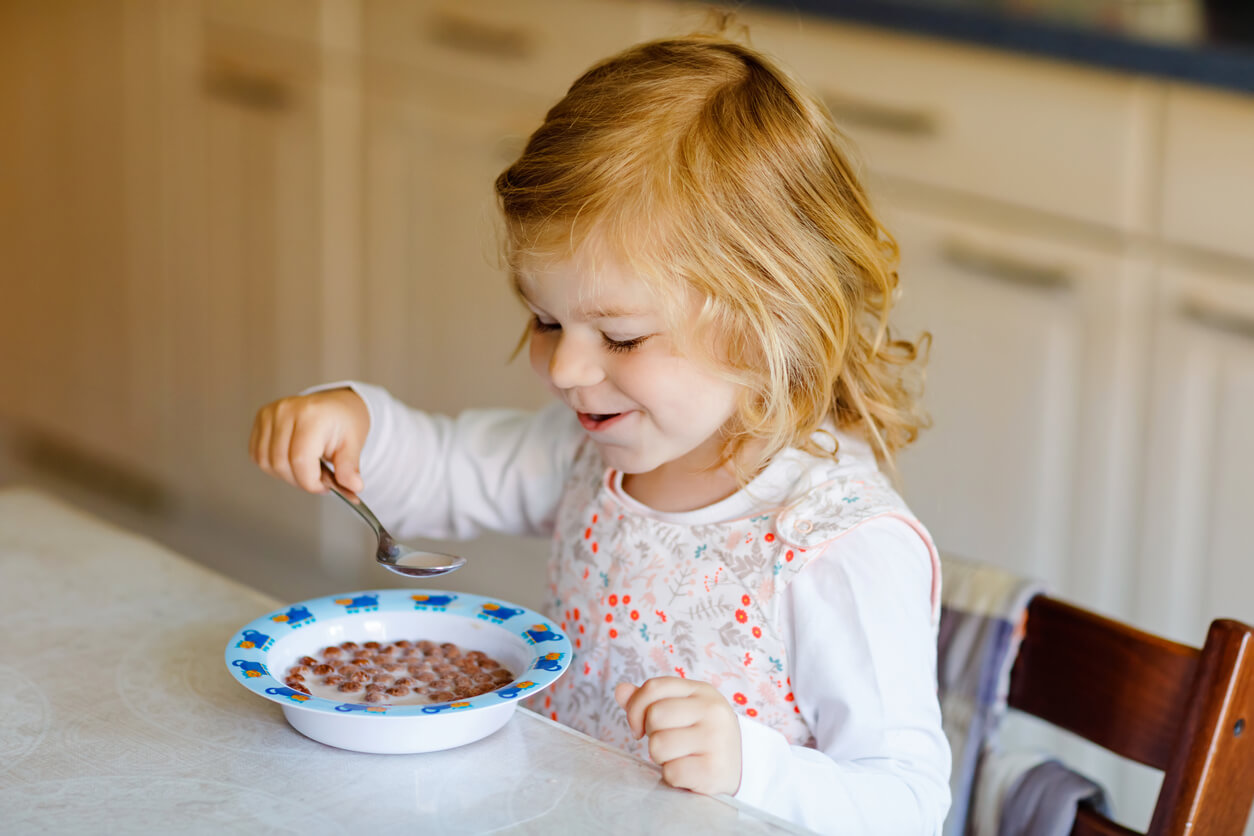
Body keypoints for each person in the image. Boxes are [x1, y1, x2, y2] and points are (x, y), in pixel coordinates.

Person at [249, 29, 950, 834]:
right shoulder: (591, 447)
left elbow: (908, 803)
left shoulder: (838, 545)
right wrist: (356, 421)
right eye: (546, 319)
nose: (567, 369)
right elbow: (445, 470)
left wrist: (751, 766)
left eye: (620, 337)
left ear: (770, 328)